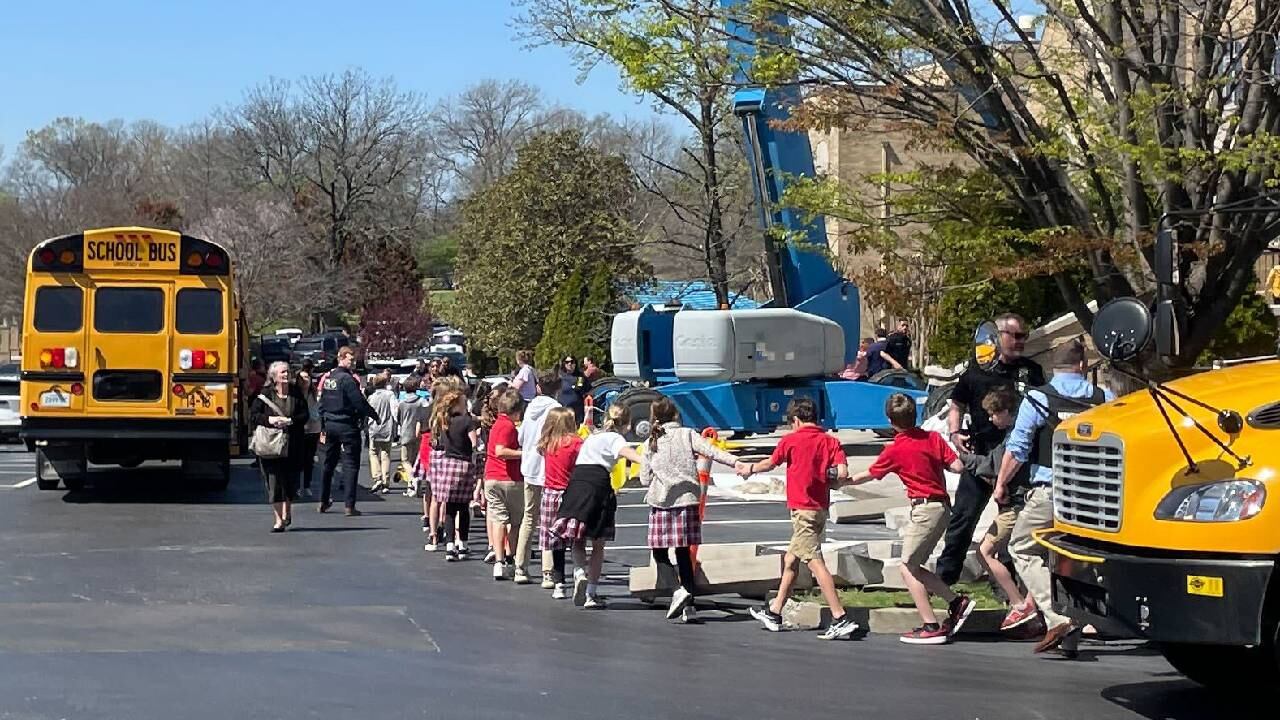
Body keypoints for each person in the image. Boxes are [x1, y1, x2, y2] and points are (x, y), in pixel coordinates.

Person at [997, 339, 1111, 655]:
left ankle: (1057, 615)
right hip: (1096, 495)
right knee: (1074, 556)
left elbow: (1018, 448)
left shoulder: (1037, 399)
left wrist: (1001, 484)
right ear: (1083, 366)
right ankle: (1072, 633)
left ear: (1052, 368)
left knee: (1021, 546)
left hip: (1052, 492)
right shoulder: (1105, 399)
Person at [846, 393, 972, 644]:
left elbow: (869, 475)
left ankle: (931, 624)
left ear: (890, 421)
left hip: (924, 508)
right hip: (941, 506)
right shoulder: (933, 438)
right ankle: (956, 602)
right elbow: (957, 466)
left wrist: (842, 481)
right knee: (915, 564)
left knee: (908, 567)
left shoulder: (895, 450)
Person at [936, 312, 1046, 585]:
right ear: (998, 337)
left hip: (1015, 460)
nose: (1021, 342)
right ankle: (945, 580)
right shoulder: (977, 371)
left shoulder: (1031, 371)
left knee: (1011, 525)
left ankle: (1009, 588)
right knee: (963, 518)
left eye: (1024, 336)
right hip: (980, 454)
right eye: (1016, 336)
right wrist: (954, 432)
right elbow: (957, 403)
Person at [744, 398, 860, 641]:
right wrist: (826, 476)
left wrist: (749, 469)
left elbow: (770, 463)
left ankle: (840, 617)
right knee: (791, 559)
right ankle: (775, 611)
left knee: (815, 562)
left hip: (802, 511)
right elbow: (842, 472)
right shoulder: (830, 441)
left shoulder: (791, 441)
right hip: (819, 508)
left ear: (795, 420)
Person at [640, 397, 747, 623]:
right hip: (687, 500)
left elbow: (643, 478)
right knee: (683, 552)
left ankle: (677, 590)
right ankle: (689, 606)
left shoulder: (652, 440)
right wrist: (736, 462)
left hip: (661, 501)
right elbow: (711, 451)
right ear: (676, 415)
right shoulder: (687, 434)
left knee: (659, 551)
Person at [549, 403, 644, 609]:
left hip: (577, 483)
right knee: (598, 543)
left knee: (578, 539)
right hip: (598, 484)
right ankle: (591, 593)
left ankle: (578, 572)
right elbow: (627, 453)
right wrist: (646, 460)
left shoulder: (591, 438)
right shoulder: (616, 438)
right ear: (626, 424)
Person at [963, 386, 1037, 631]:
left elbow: (992, 467)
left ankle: (1018, 604)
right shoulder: (1021, 433)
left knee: (984, 552)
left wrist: (961, 458)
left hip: (1015, 505)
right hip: (1022, 503)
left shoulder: (1014, 438)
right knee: (1026, 555)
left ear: (1007, 411)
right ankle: (1030, 604)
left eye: (994, 414)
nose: (991, 419)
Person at [318, 346, 380, 516]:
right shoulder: (347, 380)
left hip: (330, 424)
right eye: (351, 360)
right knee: (351, 465)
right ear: (342, 358)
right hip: (347, 425)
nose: (353, 363)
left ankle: (323, 501)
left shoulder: (329, 378)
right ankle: (349, 505)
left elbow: (322, 403)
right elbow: (359, 402)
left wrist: (323, 424)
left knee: (328, 464)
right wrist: (373, 416)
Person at [514, 371, 562, 586]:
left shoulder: (530, 408)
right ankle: (547, 572)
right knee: (549, 522)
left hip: (530, 468)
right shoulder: (556, 409)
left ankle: (520, 567)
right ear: (558, 389)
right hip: (549, 469)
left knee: (529, 517)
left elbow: (521, 438)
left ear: (538, 387)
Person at [251, 361, 309, 532]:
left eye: (287, 371)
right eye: (283, 372)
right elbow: (254, 416)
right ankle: (278, 520)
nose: (286, 374)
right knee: (274, 482)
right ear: (274, 376)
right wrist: (270, 420)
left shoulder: (296, 393)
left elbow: (304, 415)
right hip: (271, 447)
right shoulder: (265, 395)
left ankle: (287, 512)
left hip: (293, 446)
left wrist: (291, 421)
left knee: (290, 482)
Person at [538, 407, 587, 600]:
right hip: (571, 494)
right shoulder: (576, 443)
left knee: (555, 540)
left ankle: (559, 583)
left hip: (550, 494)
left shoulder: (547, 444)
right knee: (577, 537)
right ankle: (579, 571)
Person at [428, 387, 479, 561]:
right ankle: (462, 545)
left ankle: (449, 546)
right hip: (464, 464)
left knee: (449, 507)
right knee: (463, 508)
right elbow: (474, 443)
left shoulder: (445, 420)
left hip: (448, 463)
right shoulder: (467, 421)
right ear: (459, 404)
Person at [484, 389, 525, 579]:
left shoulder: (496, 425)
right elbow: (501, 451)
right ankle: (511, 558)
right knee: (516, 522)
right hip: (508, 478)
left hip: (491, 477)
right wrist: (524, 453)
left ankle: (499, 561)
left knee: (499, 519)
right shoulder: (508, 426)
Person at [396, 376, 429, 499]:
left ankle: (412, 480)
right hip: (419, 433)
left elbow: (398, 418)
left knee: (405, 460)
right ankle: (416, 486)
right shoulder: (422, 401)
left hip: (406, 432)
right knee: (416, 460)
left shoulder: (402, 403)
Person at [365, 375, 397, 494]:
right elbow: (394, 411)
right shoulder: (390, 395)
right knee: (386, 454)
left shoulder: (372, 397)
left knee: (373, 453)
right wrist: (397, 425)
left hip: (374, 428)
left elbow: (368, 413)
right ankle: (385, 482)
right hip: (387, 428)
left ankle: (377, 477)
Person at [295, 369, 322, 499]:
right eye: (302, 378)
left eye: (307, 378)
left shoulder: (314, 392)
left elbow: (318, 408)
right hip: (299, 429)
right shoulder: (294, 394)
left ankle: (306, 485)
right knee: (297, 459)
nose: (305, 380)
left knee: (309, 459)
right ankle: (296, 486)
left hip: (313, 429)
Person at [556, 356, 590, 425]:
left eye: (572, 362)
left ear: (575, 364)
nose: (569, 364)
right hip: (562, 409)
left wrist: (574, 386)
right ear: (564, 364)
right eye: (567, 362)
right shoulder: (560, 376)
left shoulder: (580, 376)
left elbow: (579, 387)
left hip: (576, 410)